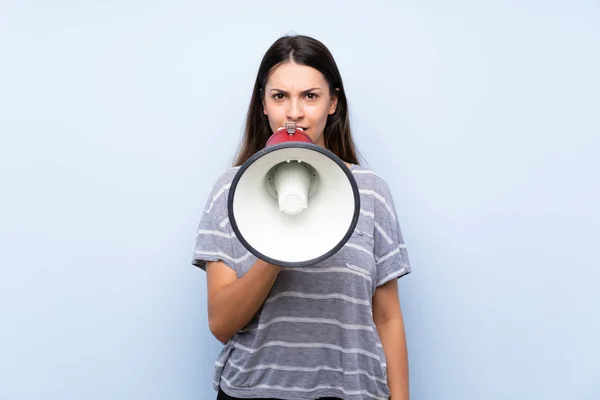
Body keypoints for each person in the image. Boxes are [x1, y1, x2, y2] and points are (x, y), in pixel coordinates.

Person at [192, 34, 412, 400]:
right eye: (280, 96)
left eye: (310, 96)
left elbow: (388, 317)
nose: (294, 112)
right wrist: (280, 245)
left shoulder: (371, 192)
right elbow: (221, 323)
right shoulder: (230, 191)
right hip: (254, 391)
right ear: (263, 104)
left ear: (332, 103)